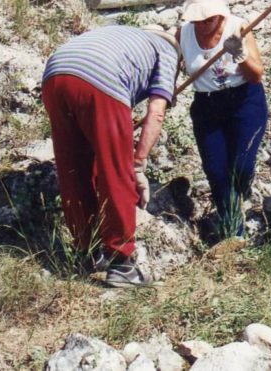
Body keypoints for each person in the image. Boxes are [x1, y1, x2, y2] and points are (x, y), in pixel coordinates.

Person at [42, 24, 180, 287]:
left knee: (74, 168)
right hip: (100, 79)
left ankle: (87, 249)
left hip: (55, 74)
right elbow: (156, 113)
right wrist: (138, 164)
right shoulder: (168, 51)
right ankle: (121, 263)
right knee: (115, 170)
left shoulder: (123, 35)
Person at [176, 0, 267, 239]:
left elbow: (256, 75)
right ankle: (234, 233)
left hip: (244, 102)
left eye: (209, 18)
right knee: (216, 171)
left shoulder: (237, 27)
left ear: (220, 13)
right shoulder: (182, 34)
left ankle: (242, 193)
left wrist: (240, 54)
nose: (203, 23)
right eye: (198, 19)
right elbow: (173, 66)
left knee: (241, 167)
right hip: (207, 107)